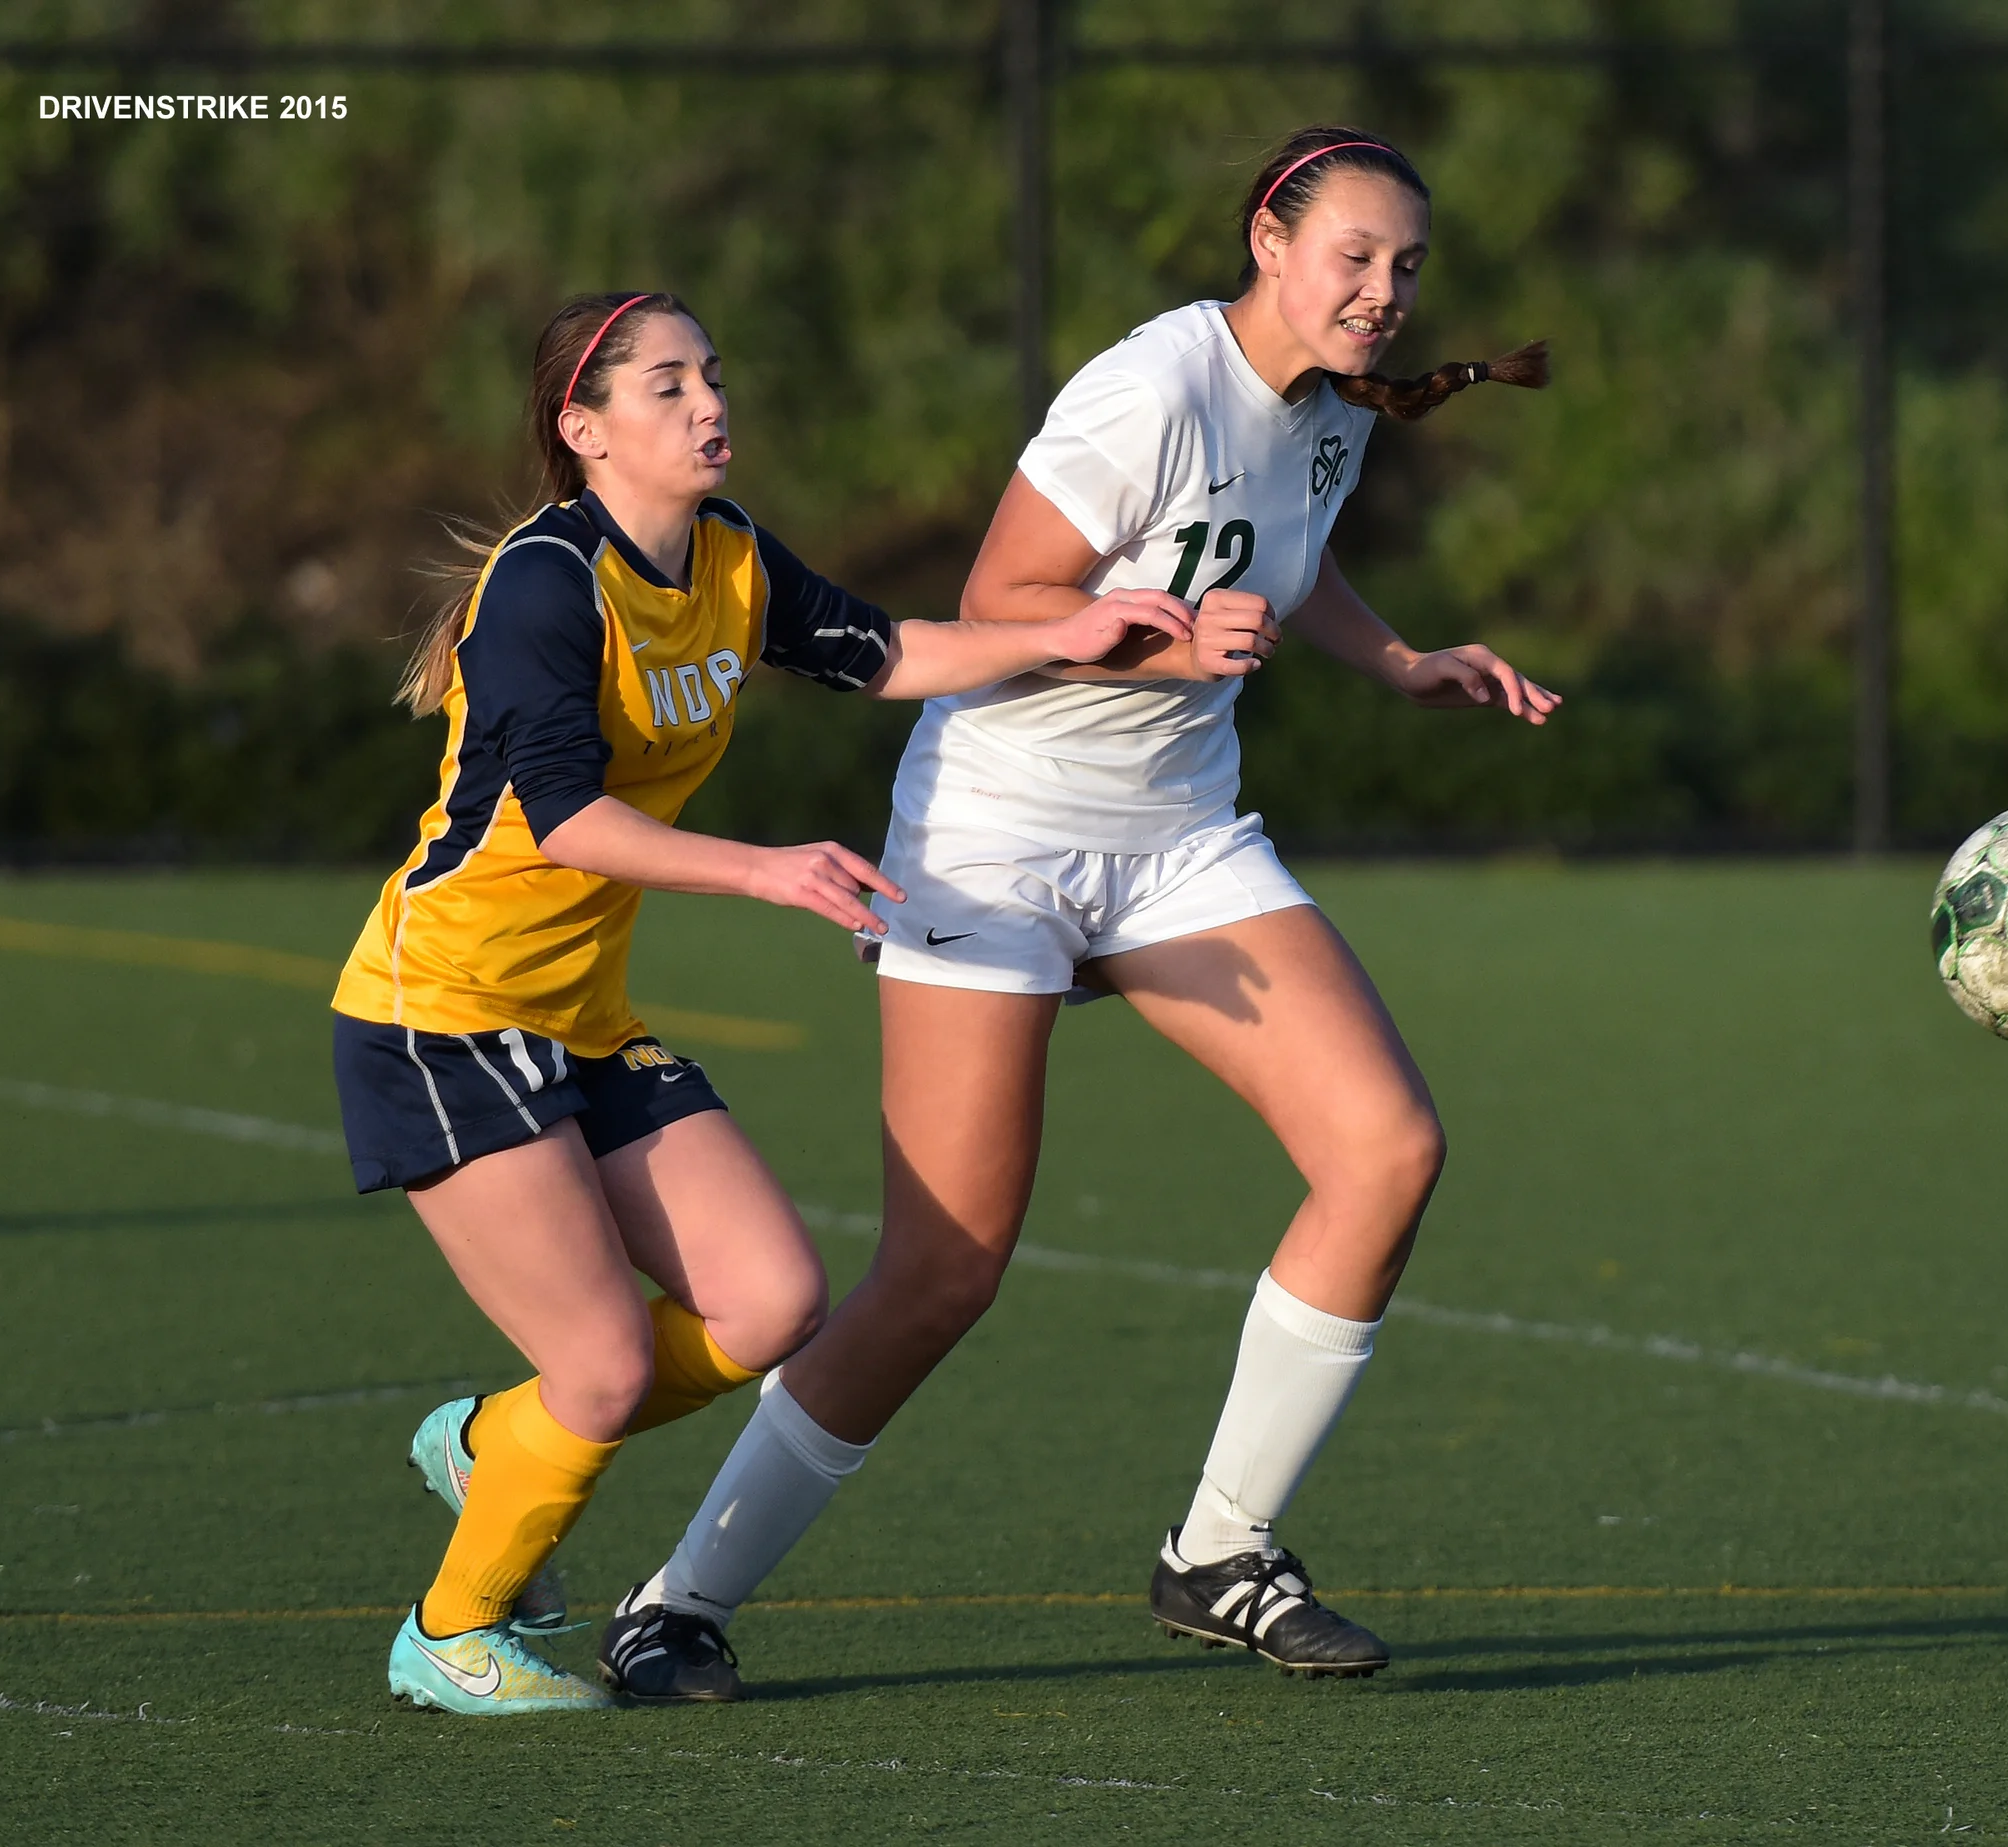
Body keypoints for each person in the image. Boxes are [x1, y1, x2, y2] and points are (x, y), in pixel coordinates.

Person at [613, 125, 1558, 1694]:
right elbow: (1001, 603)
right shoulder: (1152, 387)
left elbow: (1289, 559)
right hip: (999, 841)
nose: (1386, 293)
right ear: (1268, 239)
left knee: (1388, 1149)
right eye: (1355, 258)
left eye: (1408, 268)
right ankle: (679, 1602)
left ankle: (1222, 1549)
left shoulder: (1332, 408)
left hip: (1177, 839)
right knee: (943, 1274)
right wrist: (1170, 647)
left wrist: (1398, 660)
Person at [330, 289, 1193, 1714]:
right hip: (446, 1011)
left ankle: (498, 1442)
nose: (706, 403)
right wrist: (764, 869)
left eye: (710, 376)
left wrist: (1075, 633)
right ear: (583, 427)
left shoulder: (726, 556)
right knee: (603, 1367)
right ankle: (450, 1626)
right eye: (664, 387)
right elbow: (562, 820)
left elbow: (887, 652)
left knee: (771, 1298)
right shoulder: (549, 582)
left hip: (577, 1011)